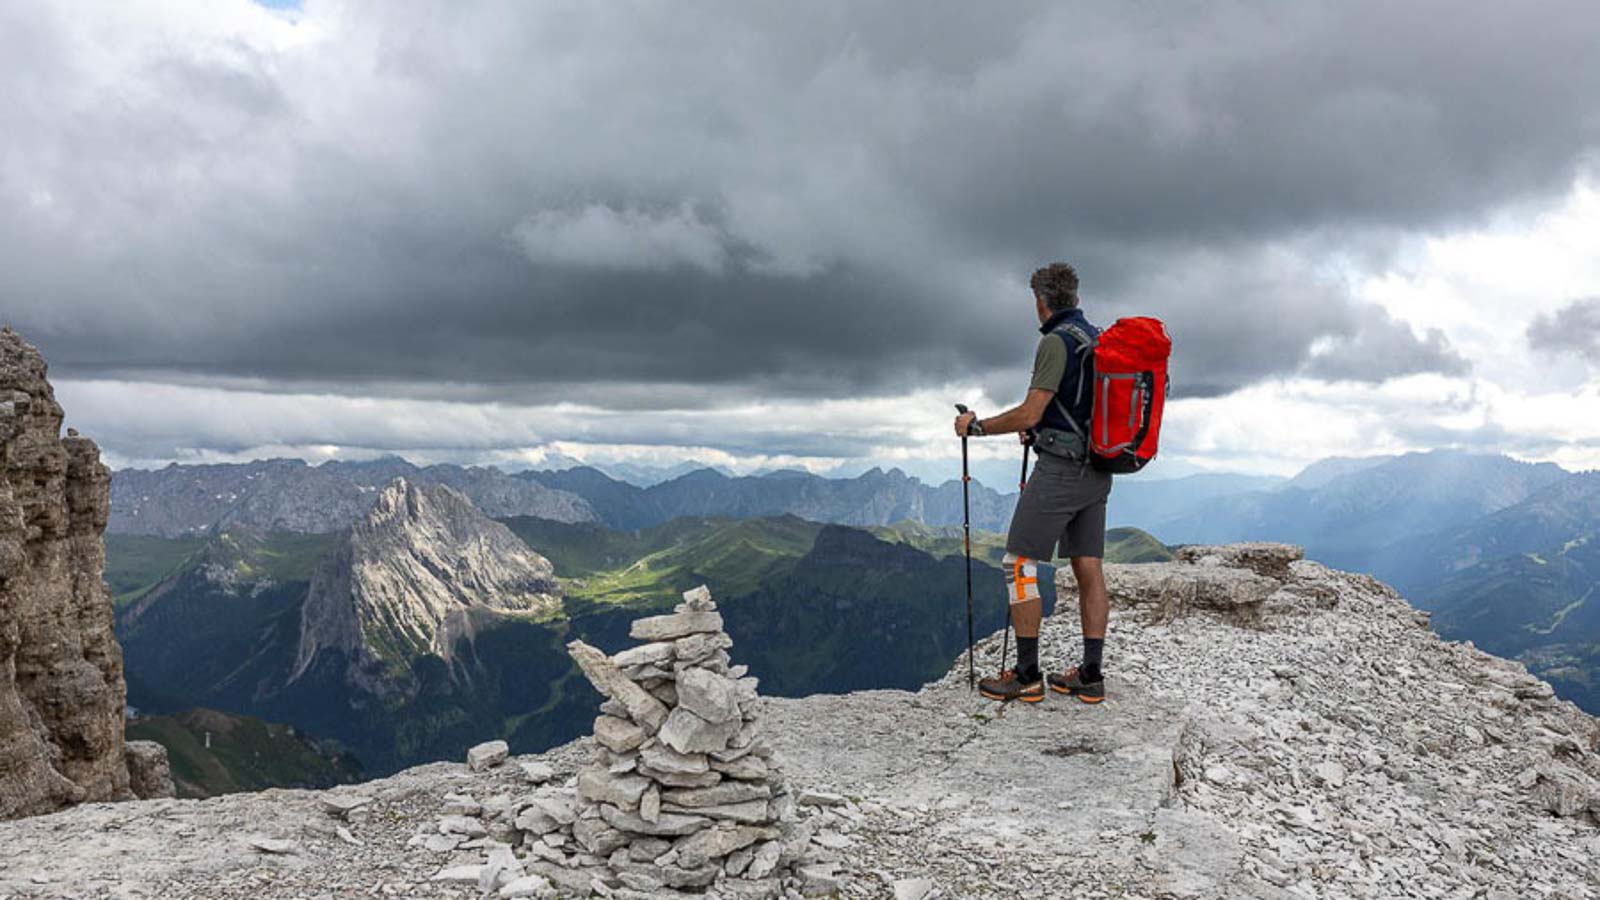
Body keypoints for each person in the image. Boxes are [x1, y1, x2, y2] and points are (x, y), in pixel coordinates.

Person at [953, 262, 1111, 704]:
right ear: (1076, 298)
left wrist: (976, 426)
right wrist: (1041, 430)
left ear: (1040, 302)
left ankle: (1025, 676)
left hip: (1061, 471)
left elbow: (1030, 411)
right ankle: (1091, 675)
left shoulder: (1056, 342)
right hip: (1099, 468)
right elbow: (1076, 407)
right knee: (1088, 565)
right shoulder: (1096, 338)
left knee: (1018, 563)